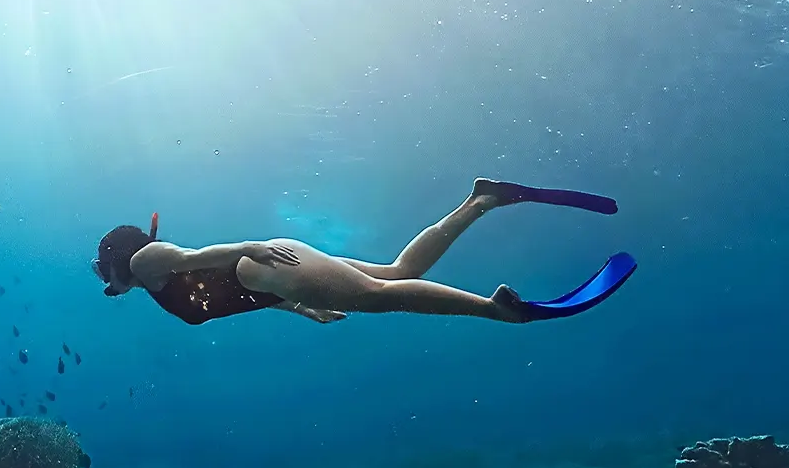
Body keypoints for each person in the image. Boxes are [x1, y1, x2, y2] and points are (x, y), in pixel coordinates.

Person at [92, 178, 636, 326]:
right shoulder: (150, 281)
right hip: (273, 276)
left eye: (104, 271)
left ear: (120, 257)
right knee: (401, 272)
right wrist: (303, 309)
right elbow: (227, 297)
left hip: (263, 263)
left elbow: (195, 258)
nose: (106, 285)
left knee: (381, 296)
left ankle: (499, 310)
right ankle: (482, 200)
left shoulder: (145, 265)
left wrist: (250, 245)